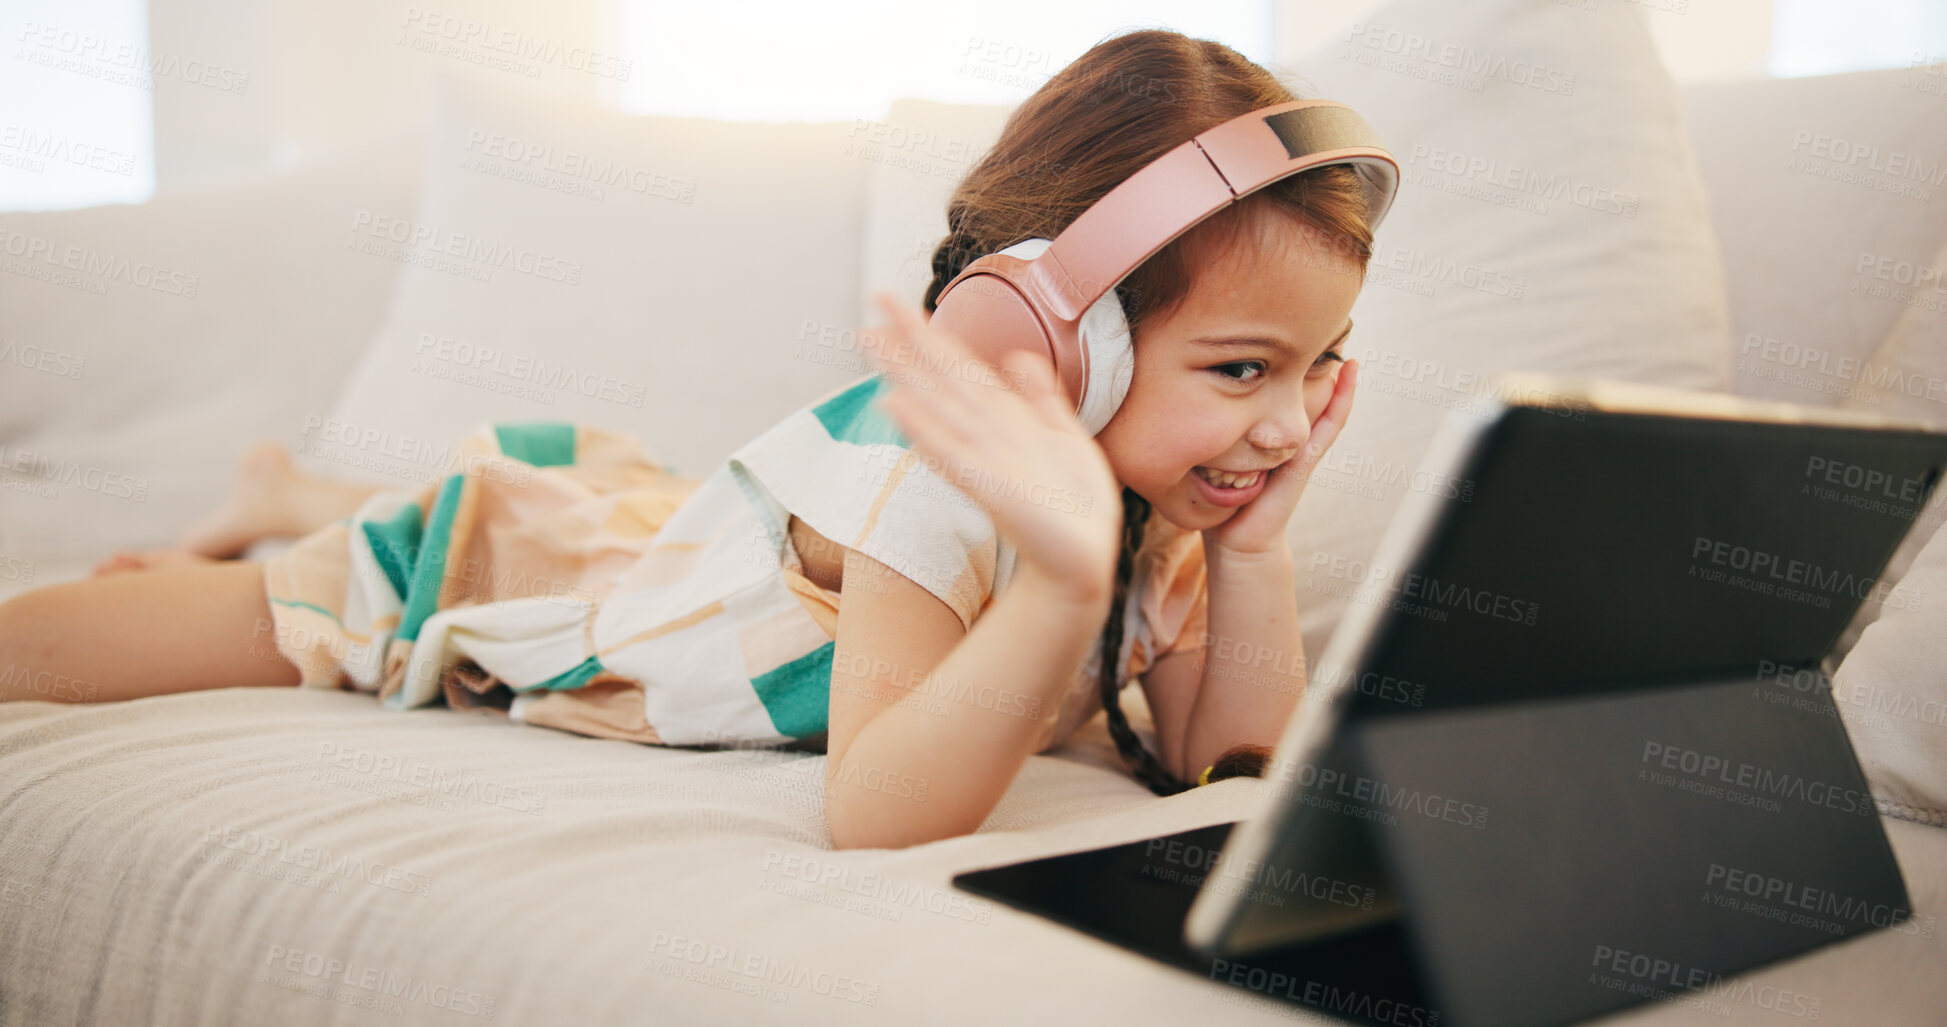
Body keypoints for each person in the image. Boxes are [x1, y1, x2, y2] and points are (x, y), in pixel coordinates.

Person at [0, 28, 1374, 850]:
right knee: (159, 631)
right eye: (1243, 367)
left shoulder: (1165, 499)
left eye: (1313, 368)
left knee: (623, 518)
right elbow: (879, 812)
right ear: (1051, 345)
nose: (1281, 419)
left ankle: (283, 484)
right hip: (522, 573)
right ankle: (293, 514)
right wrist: (1060, 587)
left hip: (680, 552)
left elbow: (1222, 765)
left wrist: (1253, 559)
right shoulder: (936, 490)